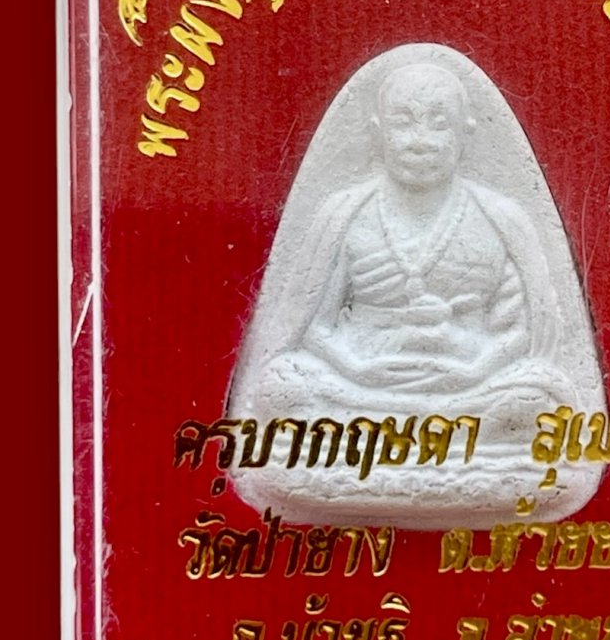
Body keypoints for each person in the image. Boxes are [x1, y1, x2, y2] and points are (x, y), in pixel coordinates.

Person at [247, 60, 576, 437]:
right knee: (282, 386)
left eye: (439, 123)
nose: (421, 141)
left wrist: (477, 368)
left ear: (465, 133)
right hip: (361, 377)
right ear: (378, 132)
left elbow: (522, 331)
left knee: (537, 392)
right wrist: (355, 367)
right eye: (403, 123)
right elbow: (311, 324)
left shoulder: (501, 218)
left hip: (470, 377)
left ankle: (385, 440)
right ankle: (443, 439)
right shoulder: (346, 213)